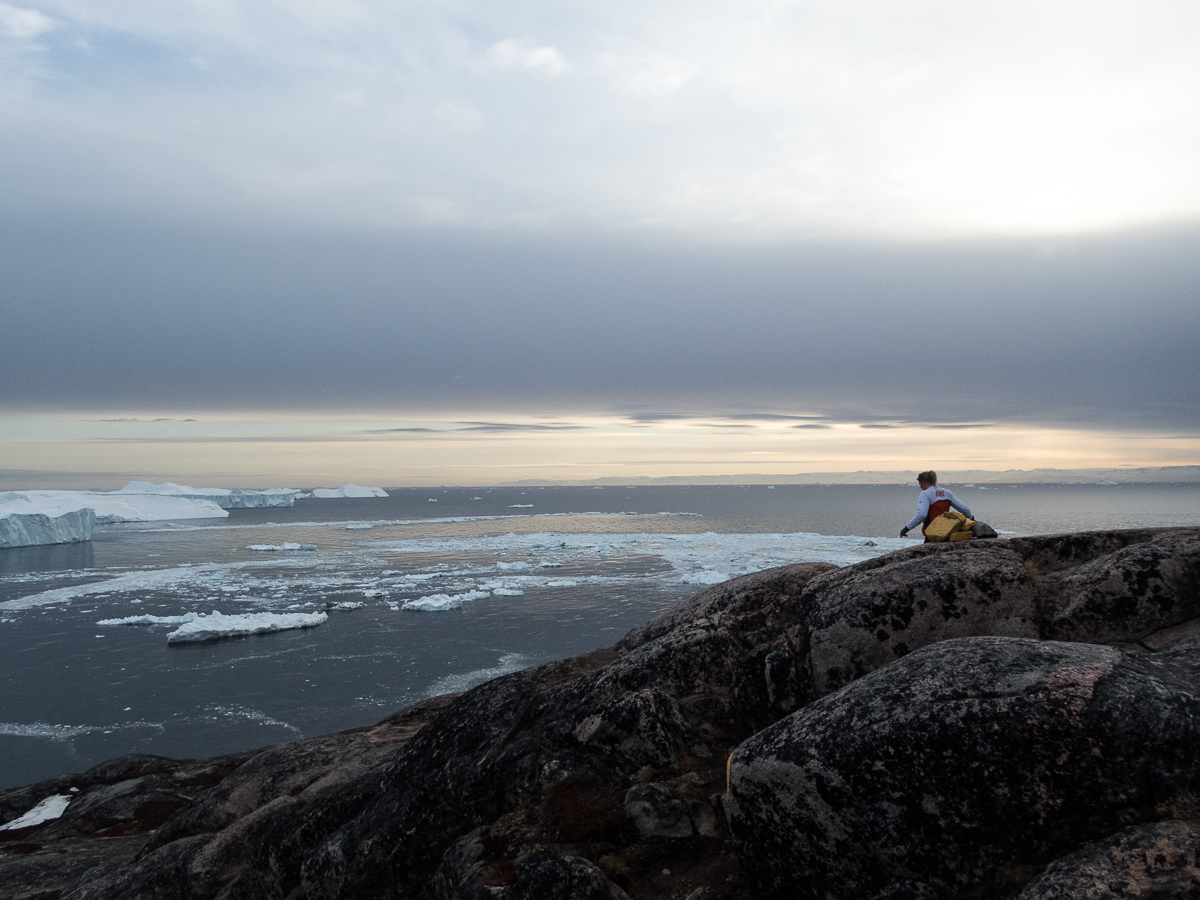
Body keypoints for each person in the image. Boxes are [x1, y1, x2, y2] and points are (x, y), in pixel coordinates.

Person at [900, 471, 973, 540]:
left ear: (922, 482)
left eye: (920, 484)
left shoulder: (925, 494)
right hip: (946, 531)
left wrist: (906, 528)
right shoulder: (947, 492)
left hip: (932, 532)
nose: (920, 487)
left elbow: (922, 514)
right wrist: (972, 519)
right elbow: (964, 508)